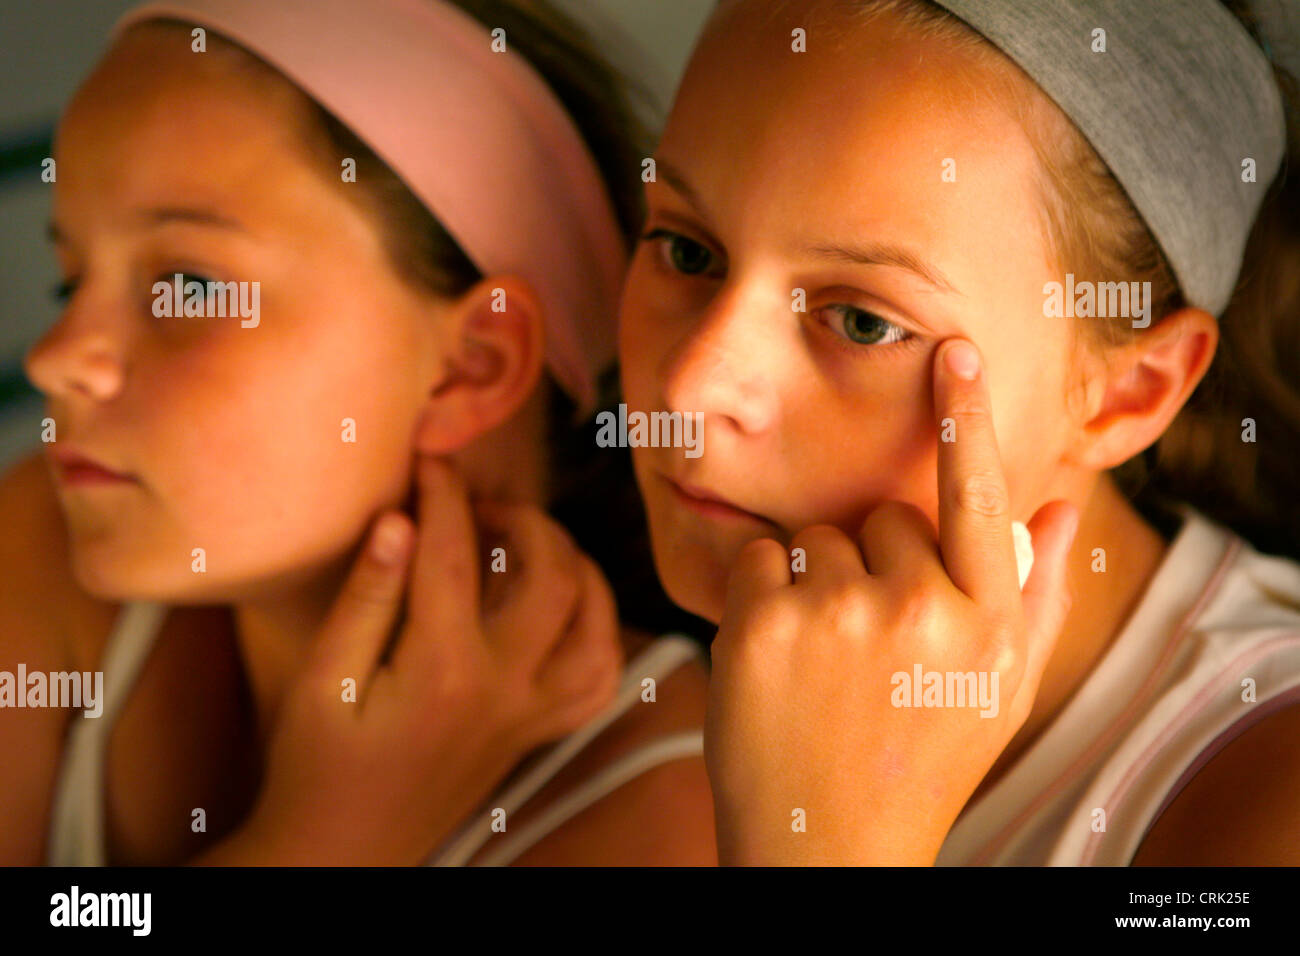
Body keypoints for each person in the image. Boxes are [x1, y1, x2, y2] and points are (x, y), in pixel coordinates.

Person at [0, 0, 715, 866]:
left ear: (471, 366)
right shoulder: (46, 546)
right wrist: (321, 842)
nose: (56, 357)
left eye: (187, 288)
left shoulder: (663, 813)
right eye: (69, 285)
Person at [619, 0, 1300, 864]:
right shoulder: (567, 660)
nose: (688, 388)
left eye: (863, 323)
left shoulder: (1266, 806)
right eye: (687, 251)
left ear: (1127, 392)